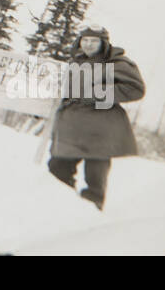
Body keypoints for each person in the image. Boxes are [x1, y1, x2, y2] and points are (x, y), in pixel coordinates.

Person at [47, 26, 145, 211]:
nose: (89, 44)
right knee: (57, 168)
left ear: (103, 43)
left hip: (101, 128)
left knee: (95, 176)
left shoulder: (116, 62)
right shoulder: (75, 62)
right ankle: (63, 207)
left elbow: (135, 89)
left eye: (94, 41)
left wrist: (97, 93)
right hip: (72, 127)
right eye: (85, 40)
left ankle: (91, 209)